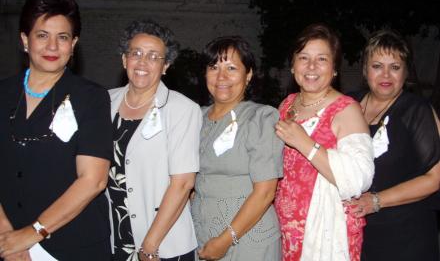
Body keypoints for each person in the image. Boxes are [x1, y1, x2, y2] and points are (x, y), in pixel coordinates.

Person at [0, 0, 113, 260]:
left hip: (72, 245)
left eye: (62, 37)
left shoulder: (91, 98)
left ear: (73, 44)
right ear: (25, 40)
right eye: (42, 35)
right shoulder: (2, 93)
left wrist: (32, 233)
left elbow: (93, 180)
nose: (52, 47)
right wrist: (7, 237)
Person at [274, 23, 375, 261]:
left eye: (321, 59)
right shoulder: (286, 104)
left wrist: (305, 143)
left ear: (335, 68)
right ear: (292, 65)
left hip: (325, 232)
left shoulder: (346, 109)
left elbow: (360, 177)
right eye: (303, 58)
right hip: (284, 229)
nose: (311, 67)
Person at [107, 19, 202, 261]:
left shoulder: (181, 109)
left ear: (166, 65)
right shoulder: (104, 102)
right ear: (124, 59)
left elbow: (182, 183)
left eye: (153, 56)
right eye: (136, 53)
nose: (142, 62)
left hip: (162, 244)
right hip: (110, 236)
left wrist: (150, 245)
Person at [349, 30, 440, 261]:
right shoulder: (348, 105)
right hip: (355, 234)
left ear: (406, 72)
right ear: (365, 70)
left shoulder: (416, 110)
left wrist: (376, 201)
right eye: (377, 65)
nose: (386, 74)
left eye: (395, 67)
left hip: (405, 236)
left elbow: (435, 177)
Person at [191, 36, 284, 261]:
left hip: (247, 239)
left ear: (248, 74)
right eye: (214, 67)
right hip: (201, 235)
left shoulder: (260, 117)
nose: (221, 77)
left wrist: (225, 239)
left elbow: (265, 192)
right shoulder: (195, 117)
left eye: (231, 68)